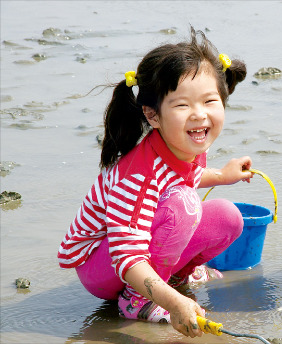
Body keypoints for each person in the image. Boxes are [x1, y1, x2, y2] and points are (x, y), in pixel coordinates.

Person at [58, 27, 251, 337]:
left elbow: (181, 178)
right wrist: (175, 304)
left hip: (134, 250)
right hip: (103, 265)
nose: (199, 115)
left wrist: (222, 176)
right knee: (185, 205)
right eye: (182, 105)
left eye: (209, 101)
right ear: (153, 115)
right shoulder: (137, 175)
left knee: (228, 216)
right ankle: (137, 300)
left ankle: (175, 279)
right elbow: (127, 254)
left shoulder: (187, 143)